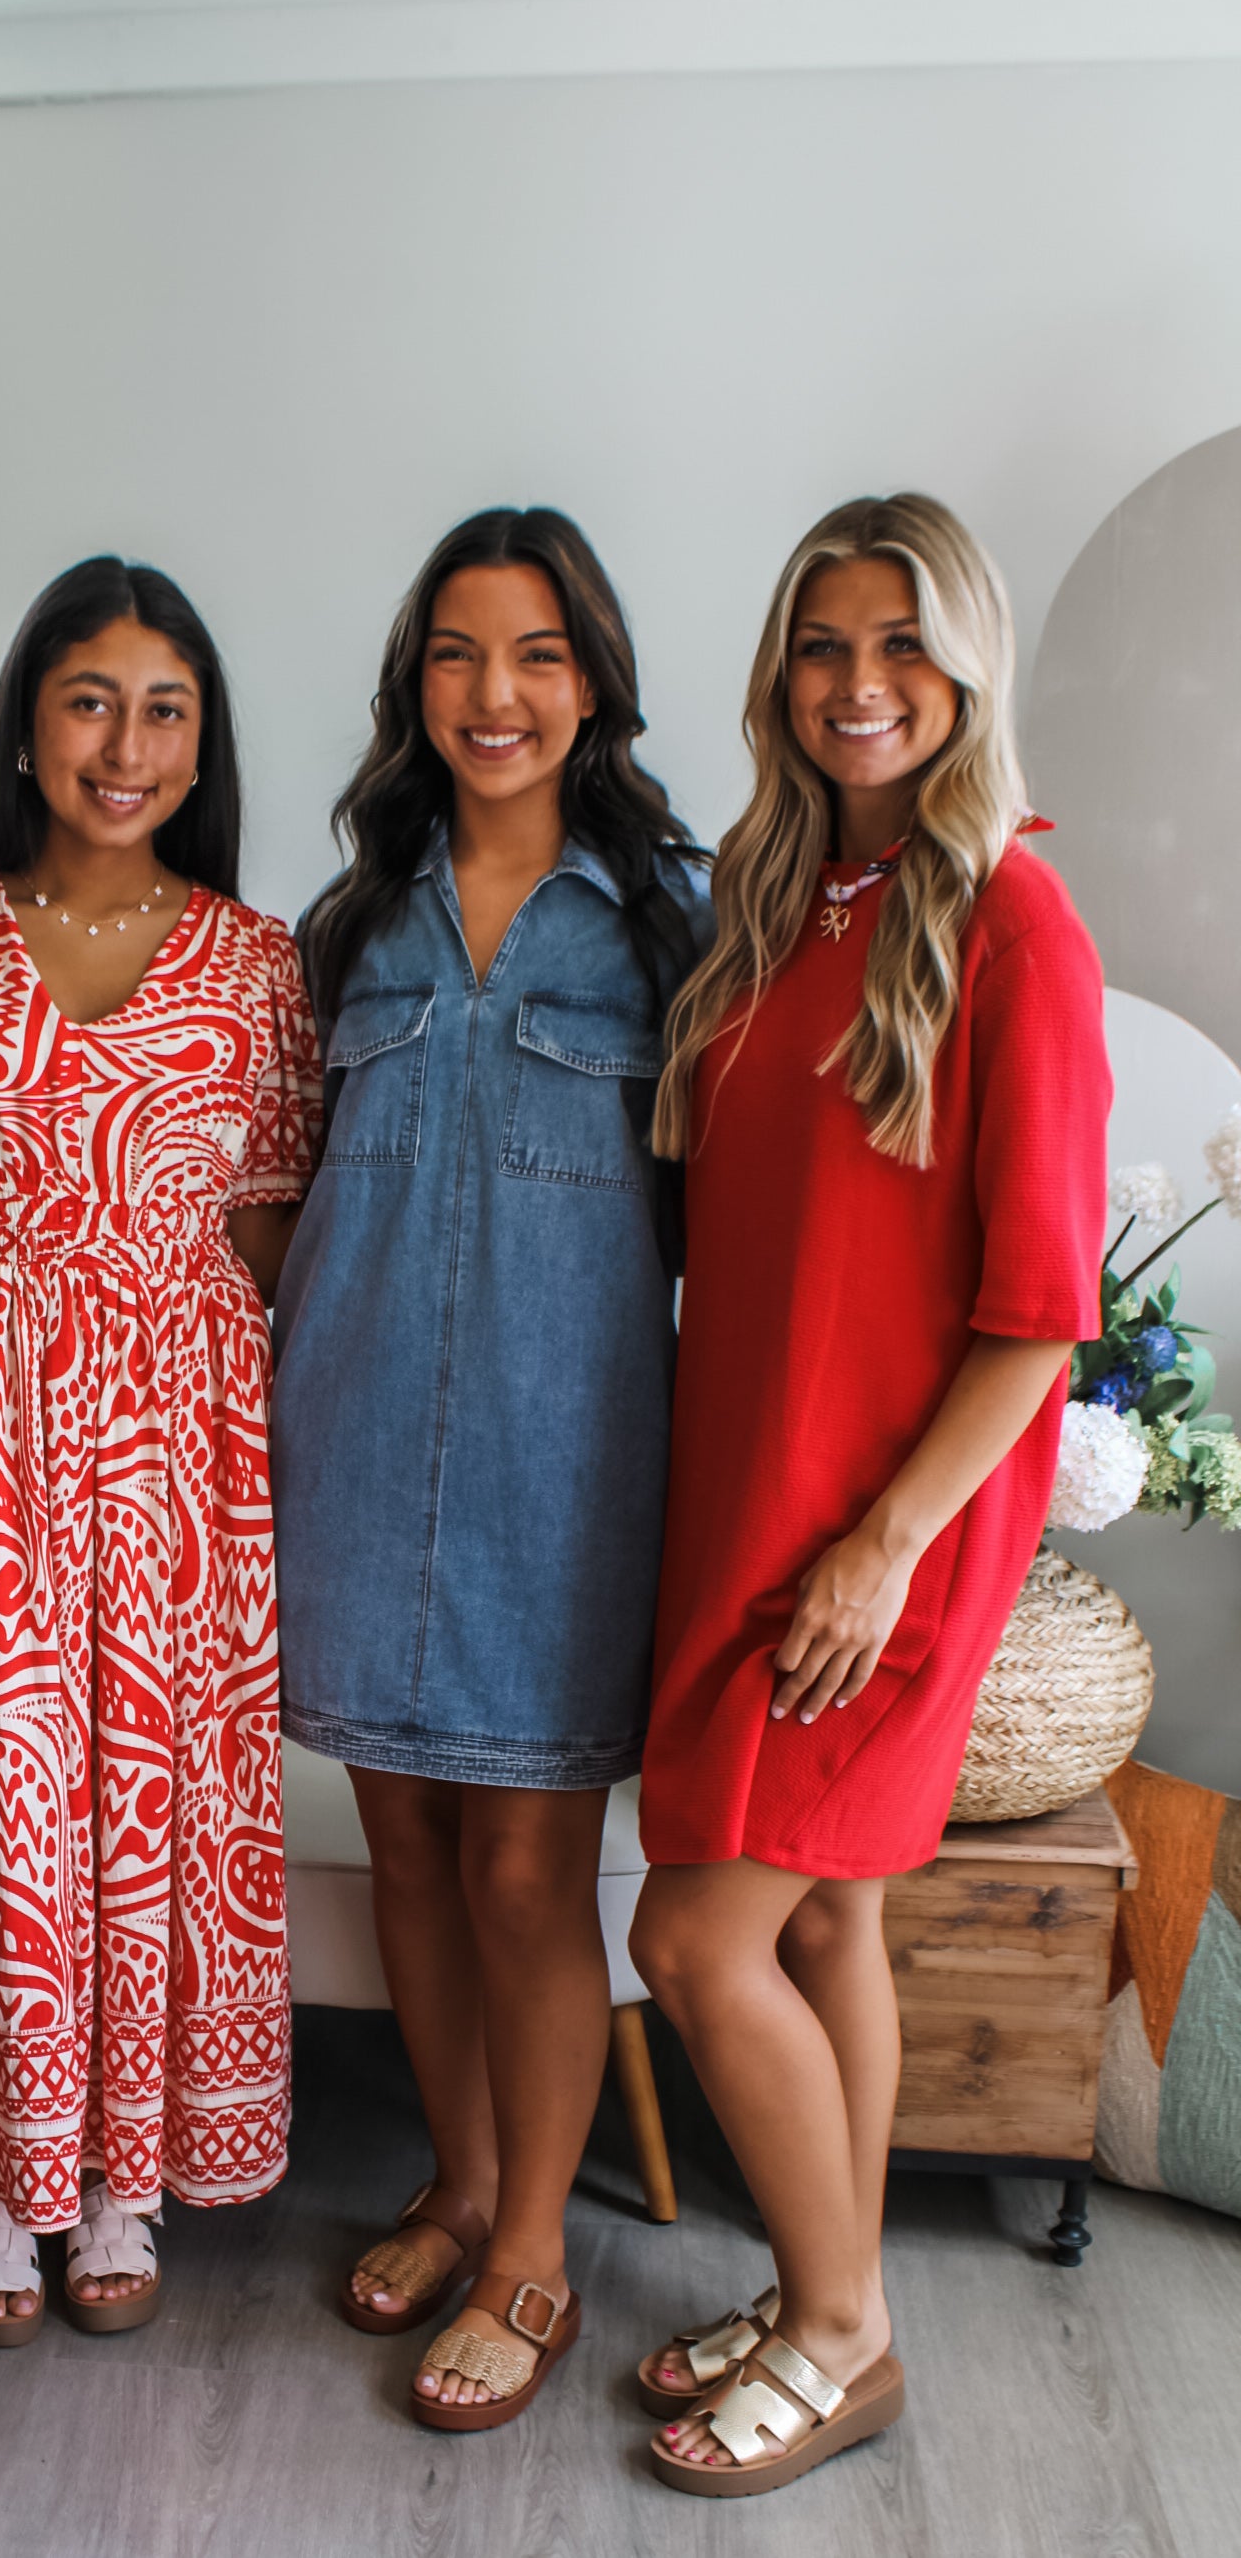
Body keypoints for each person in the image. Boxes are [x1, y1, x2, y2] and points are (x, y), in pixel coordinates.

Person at [629, 493, 1109, 2499]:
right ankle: (831, 2294)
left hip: (878, 1539)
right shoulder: (777, 903)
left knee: (692, 1941)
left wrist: (883, 1546)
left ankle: (839, 2337)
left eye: (902, 643)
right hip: (753, 1499)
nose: (857, 683)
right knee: (825, 1920)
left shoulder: (1015, 918)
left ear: (965, 668)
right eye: (822, 643)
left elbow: (1040, 1315)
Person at [0, 555, 319, 2344]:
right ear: (28, 723)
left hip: (181, 1456)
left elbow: (271, 1243)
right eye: (92, 702)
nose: (127, 747)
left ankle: (127, 2175)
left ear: (205, 738)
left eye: (165, 709)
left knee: (157, 1798)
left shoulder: (258, 964)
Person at [271, 507, 710, 2433]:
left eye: (536, 653)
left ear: (592, 680)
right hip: (355, 1442)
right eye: (456, 652)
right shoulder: (352, 924)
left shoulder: (676, 924)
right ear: (414, 683)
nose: (495, 693)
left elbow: (732, 1222)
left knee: (531, 1866)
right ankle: (457, 2185)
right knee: (410, 1848)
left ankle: (534, 2248)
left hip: (568, 1457)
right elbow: (281, 1202)